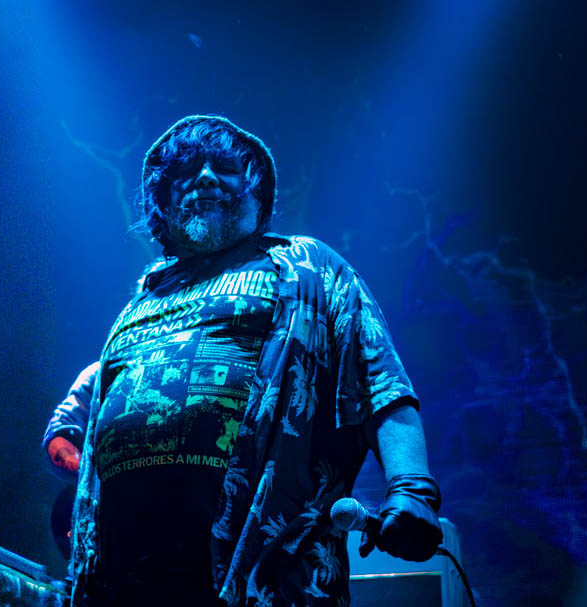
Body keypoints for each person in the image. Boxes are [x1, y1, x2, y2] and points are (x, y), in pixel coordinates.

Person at [46, 115, 443, 607]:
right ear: (162, 200)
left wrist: (412, 488)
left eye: (225, 168)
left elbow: (380, 380)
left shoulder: (307, 266)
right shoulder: (140, 301)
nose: (205, 177)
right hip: (126, 580)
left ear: (257, 191)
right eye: (186, 171)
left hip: (263, 572)